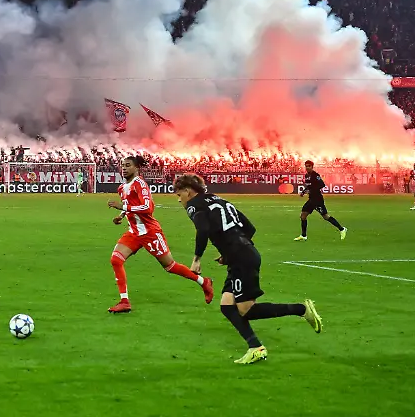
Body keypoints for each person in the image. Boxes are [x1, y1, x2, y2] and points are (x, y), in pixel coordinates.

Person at [173, 173, 322, 364]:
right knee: (227, 306)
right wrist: (231, 251)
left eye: (179, 195)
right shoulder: (220, 200)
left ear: (188, 191)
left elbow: (203, 230)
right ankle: (255, 347)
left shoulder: (195, 205)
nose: (179, 200)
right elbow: (250, 228)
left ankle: (301, 309)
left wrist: (197, 259)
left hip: (242, 258)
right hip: (243, 255)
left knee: (246, 310)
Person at [106, 156, 213, 313]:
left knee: (170, 266)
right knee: (116, 259)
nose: (124, 168)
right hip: (134, 231)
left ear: (136, 168)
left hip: (149, 232)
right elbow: (130, 205)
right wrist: (121, 215)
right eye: (122, 165)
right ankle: (124, 302)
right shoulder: (122, 188)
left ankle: (203, 282)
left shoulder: (140, 184)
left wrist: (123, 207)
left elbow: (148, 208)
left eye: (128, 165)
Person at [296, 160, 346, 241]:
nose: (307, 167)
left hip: (317, 199)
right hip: (311, 199)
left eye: (309, 166)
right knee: (303, 215)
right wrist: (303, 191)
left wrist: (311, 191)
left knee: (326, 216)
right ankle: (303, 235)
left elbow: (322, 185)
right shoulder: (306, 176)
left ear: (312, 167)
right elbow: (309, 186)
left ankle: (342, 229)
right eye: (306, 166)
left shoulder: (315, 175)